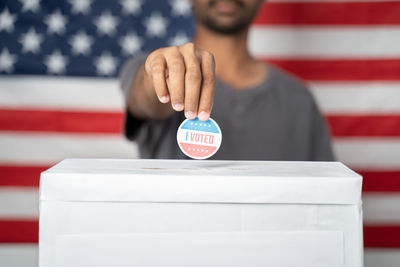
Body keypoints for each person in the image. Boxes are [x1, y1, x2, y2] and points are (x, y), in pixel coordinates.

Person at [119, 0, 334, 160]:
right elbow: (145, 97)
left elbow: (326, 203)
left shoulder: (300, 100)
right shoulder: (151, 68)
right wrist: (159, 75)